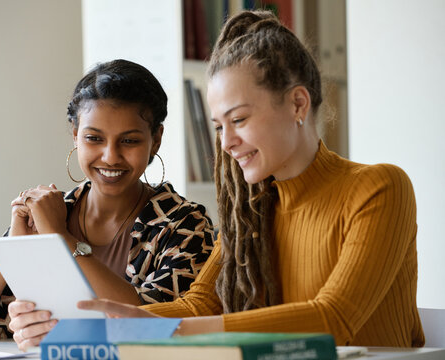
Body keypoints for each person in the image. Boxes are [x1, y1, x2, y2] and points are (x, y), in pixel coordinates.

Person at [75, 10, 425, 347]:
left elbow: (332, 319)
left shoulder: (378, 188)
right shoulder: (251, 213)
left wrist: (166, 330)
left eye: (238, 120)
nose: (226, 143)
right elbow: (198, 306)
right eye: (218, 127)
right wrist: (74, 329)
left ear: (298, 104)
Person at [0, 59, 215, 345]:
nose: (110, 156)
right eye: (93, 138)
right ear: (75, 136)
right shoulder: (51, 211)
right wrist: (11, 250)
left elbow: (156, 320)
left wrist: (61, 238)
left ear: (155, 140)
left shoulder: (185, 225)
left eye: (129, 141)